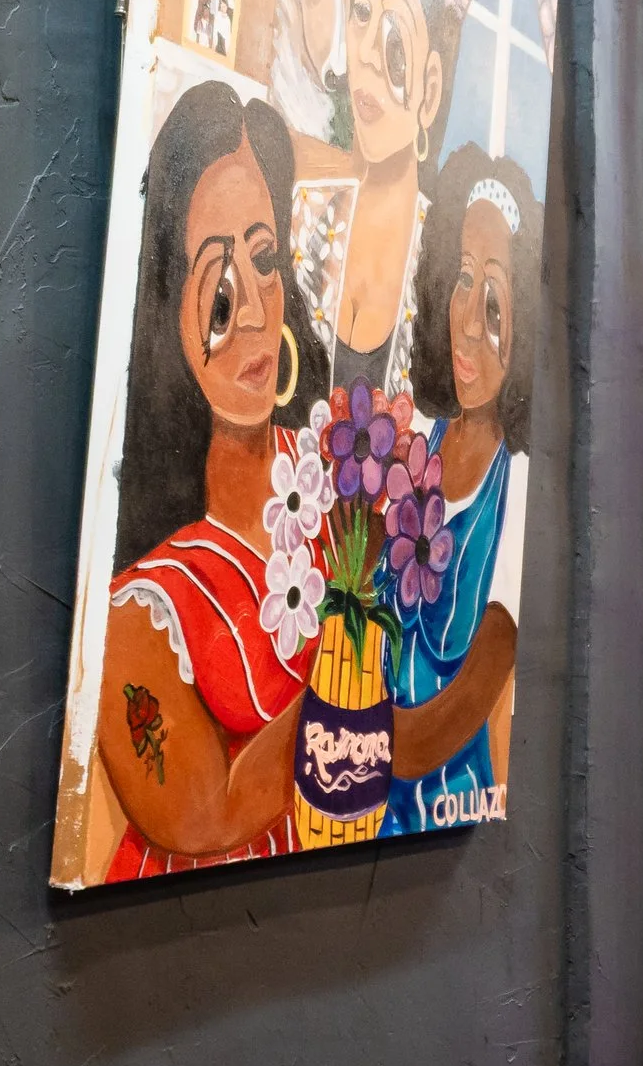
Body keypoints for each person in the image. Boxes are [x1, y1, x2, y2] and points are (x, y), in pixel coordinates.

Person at [97, 84, 513, 878]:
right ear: (166, 314)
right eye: (219, 290)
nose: (253, 310)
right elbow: (201, 813)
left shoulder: (346, 480)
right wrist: (357, 702)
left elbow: (406, 722)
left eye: (265, 259)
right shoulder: (141, 604)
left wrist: (489, 656)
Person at [387, 147, 540, 835]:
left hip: (445, 823)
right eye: (462, 281)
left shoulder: (520, 489)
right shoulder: (412, 438)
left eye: (497, 301)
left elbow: (469, 703)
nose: (472, 324)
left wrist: (348, 745)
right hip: (369, 813)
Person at [290, 0, 460, 397]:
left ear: (429, 90)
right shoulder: (303, 219)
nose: (363, 52)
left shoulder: (444, 269)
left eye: (392, 32)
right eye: (360, 10)